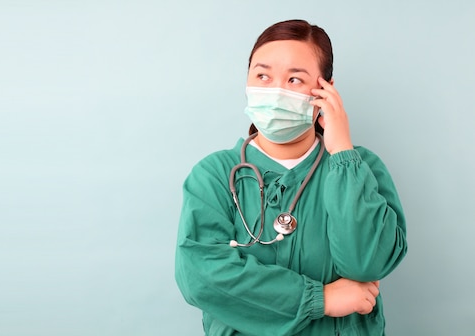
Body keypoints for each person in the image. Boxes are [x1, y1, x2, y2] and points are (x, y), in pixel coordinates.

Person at [174, 19, 407, 335]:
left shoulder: (361, 167)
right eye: (263, 76)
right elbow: (201, 276)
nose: (276, 91)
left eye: (295, 79)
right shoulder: (214, 176)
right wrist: (321, 299)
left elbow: (366, 263)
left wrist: (341, 153)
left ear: (325, 90)